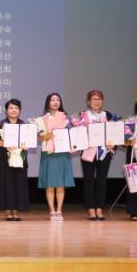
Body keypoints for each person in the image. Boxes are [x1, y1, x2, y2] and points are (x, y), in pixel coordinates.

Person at [37, 92, 76, 221]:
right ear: (48, 102)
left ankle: (59, 210)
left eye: (58, 100)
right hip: (48, 153)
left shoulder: (65, 119)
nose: (55, 102)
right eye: (53, 100)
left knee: (60, 183)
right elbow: (38, 137)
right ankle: (52, 211)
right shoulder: (42, 119)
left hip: (62, 153)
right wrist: (46, 136)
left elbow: (71, 135)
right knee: (50, 183)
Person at [80, 90, 115, 221]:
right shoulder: (83, 115)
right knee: (89, 181)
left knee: (102, 181)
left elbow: (114, 132)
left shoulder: (108, 115)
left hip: (104, 152)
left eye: (99, 99)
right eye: (94, 99)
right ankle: (90, 209)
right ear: (88, 102)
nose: (97, 101)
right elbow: (78, 133)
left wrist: (113, 143)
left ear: (102, 101)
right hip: (88, 152)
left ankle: (99, 208)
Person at [0, 99, 30, 221]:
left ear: (19, 110)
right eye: (11, 108)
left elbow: (28, 141)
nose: (13, 110)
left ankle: (16, 210)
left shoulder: (24, 125)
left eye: (16, 108)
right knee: (7, 183)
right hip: (5, 158)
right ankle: (7, 210)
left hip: (20, 158)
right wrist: (4, 143)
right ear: (6, 110)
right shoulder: (0, 124)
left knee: (19, 183)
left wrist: (25, 145)